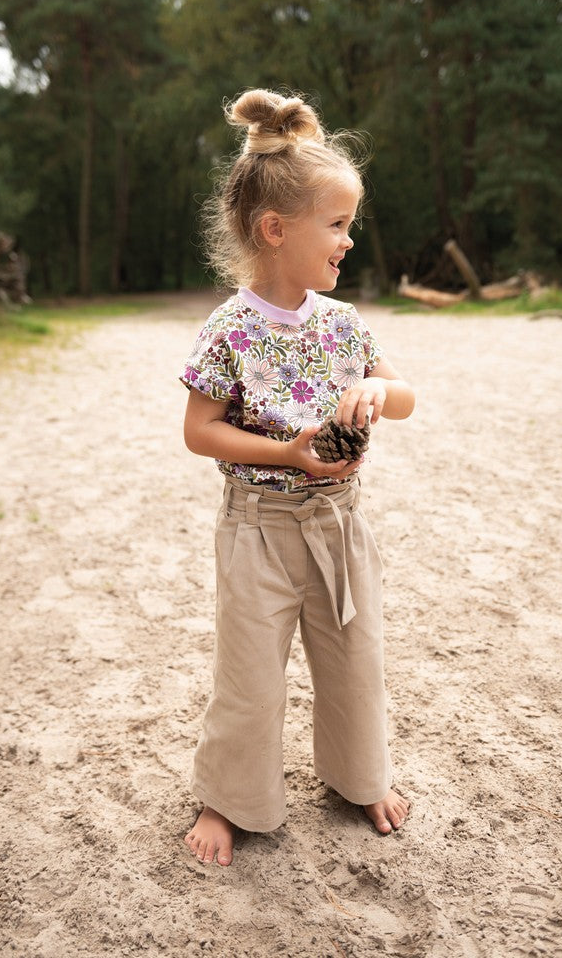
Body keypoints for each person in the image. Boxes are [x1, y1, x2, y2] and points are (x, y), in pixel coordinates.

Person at [179, 88, 416, 867]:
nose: (349, 241)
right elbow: (199, 431)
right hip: (259, 529)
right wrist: (289, 452)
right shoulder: (230, 329)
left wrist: (376, 390)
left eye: (351, 225)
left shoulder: (343, 325)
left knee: (355, 661)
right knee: (249, 675)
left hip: (340, 525)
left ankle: (361, 777)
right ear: (275, 230)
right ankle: (228, 799)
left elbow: (406, 396)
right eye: (337, 225)